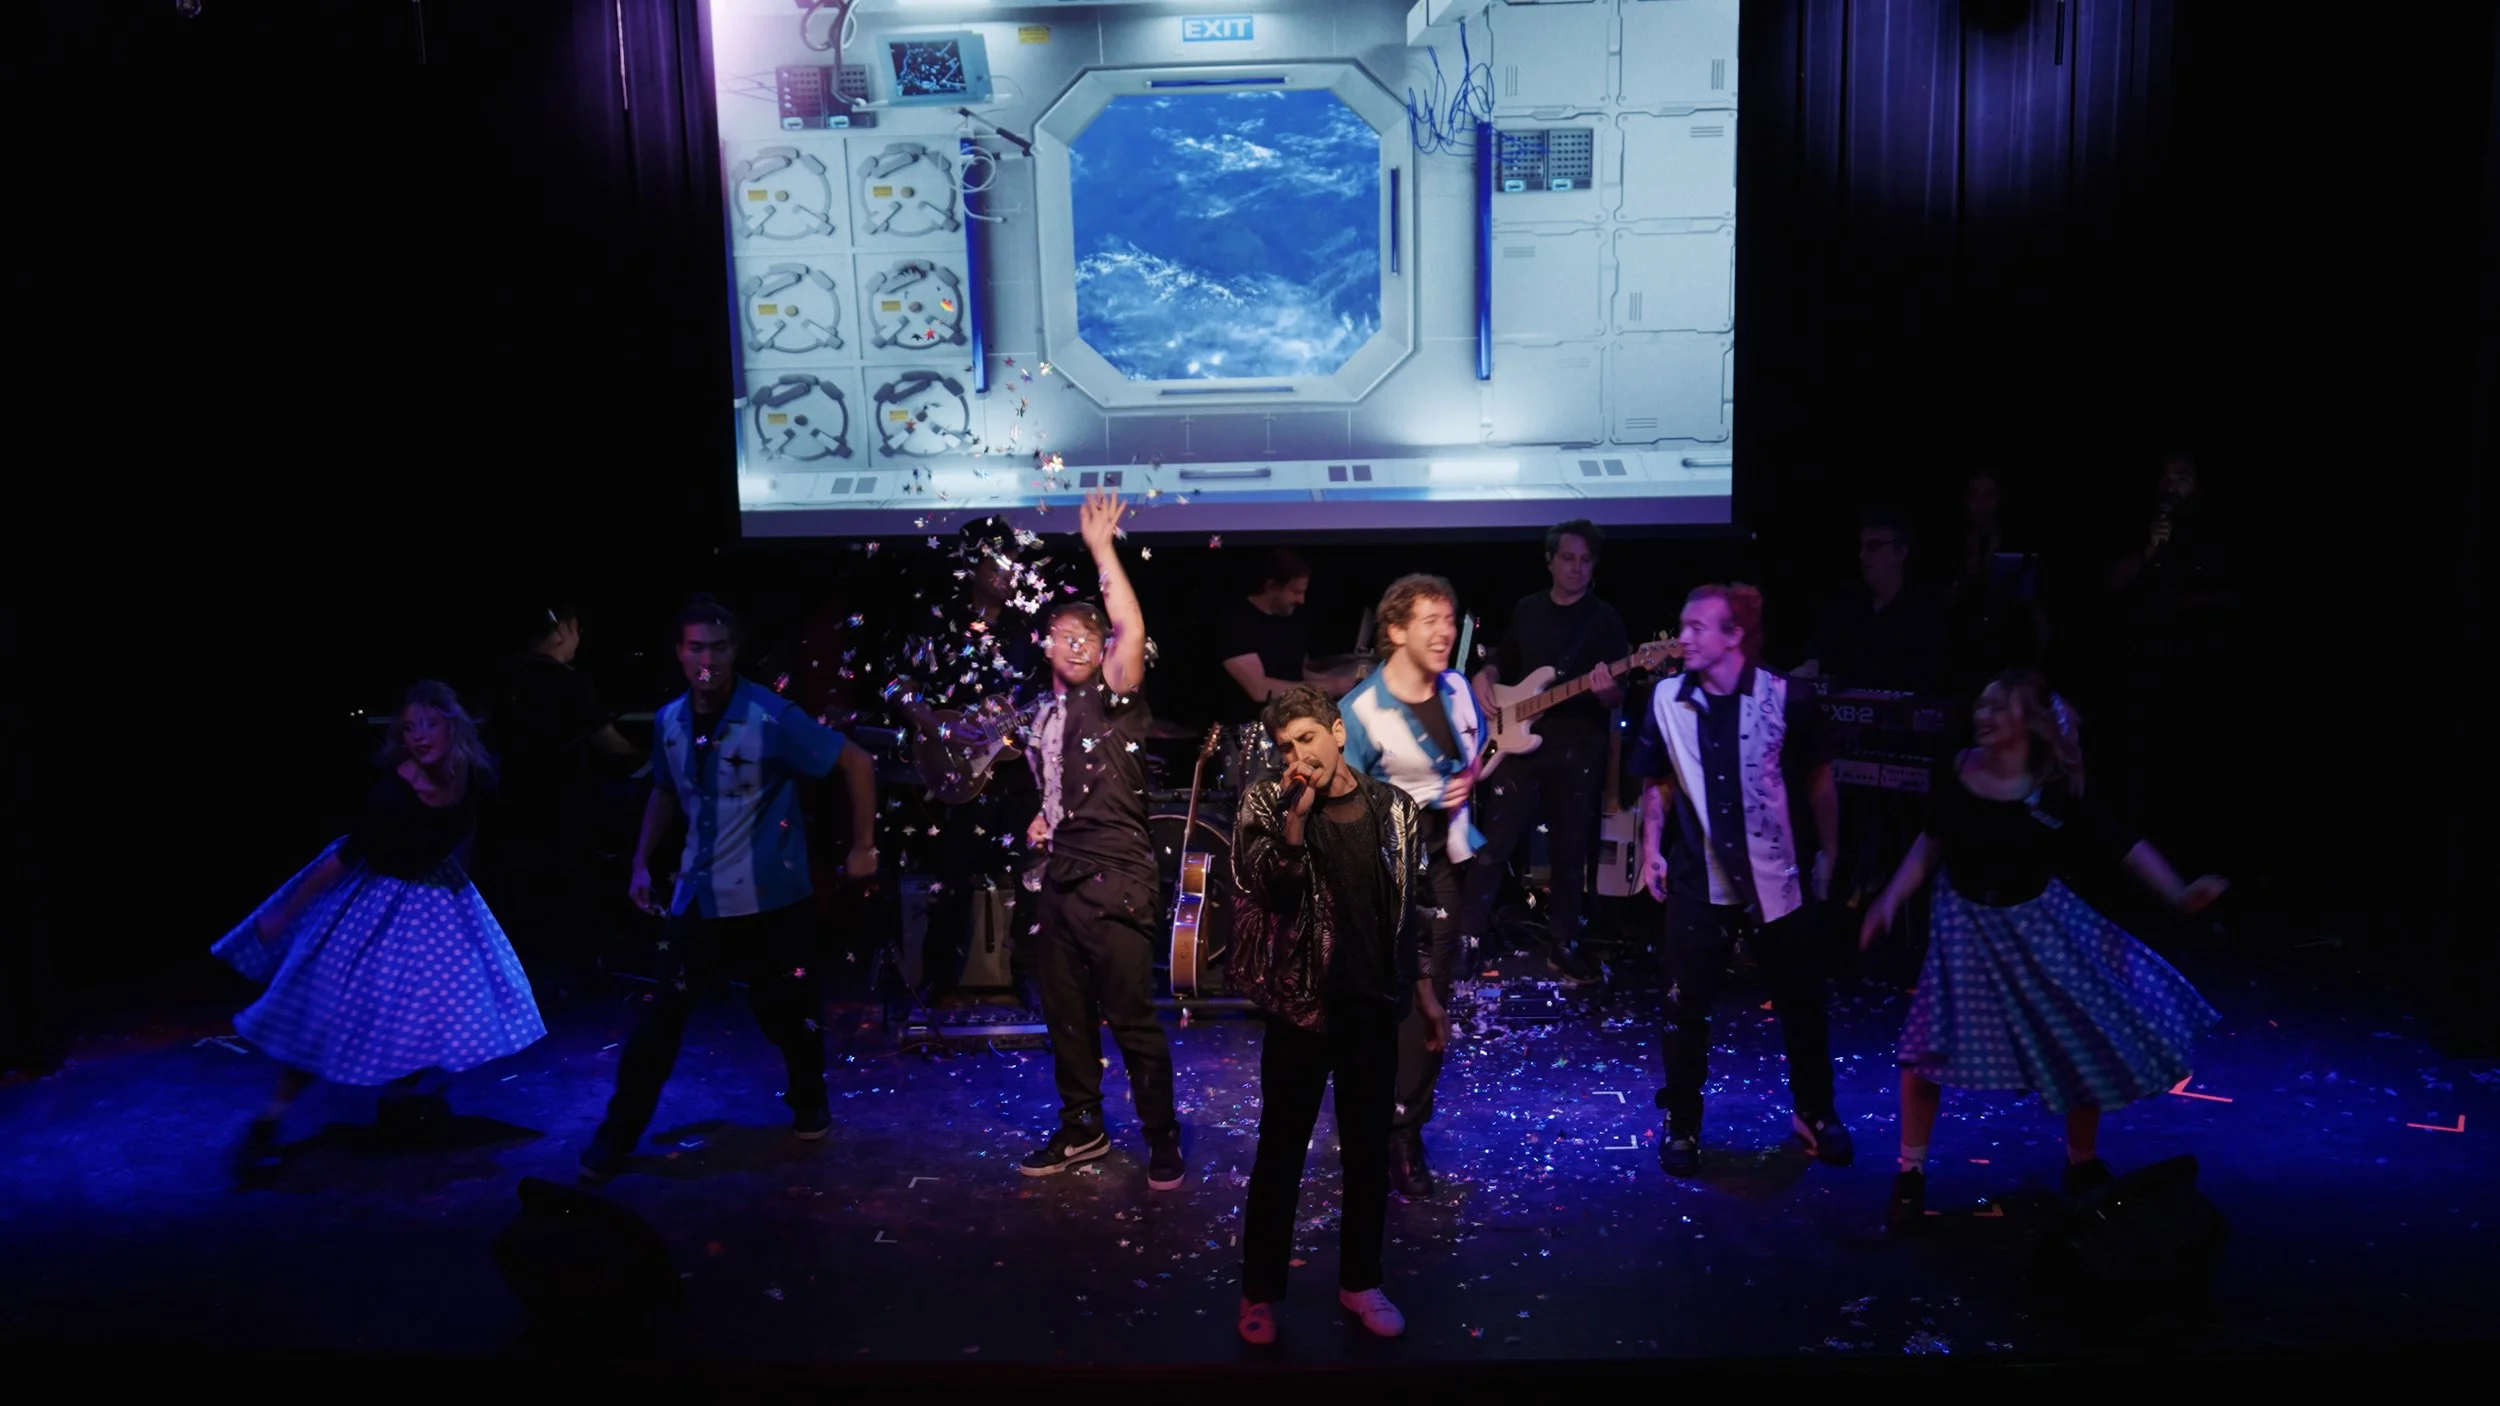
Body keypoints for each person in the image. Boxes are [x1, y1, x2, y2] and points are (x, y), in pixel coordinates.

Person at [1859, 670, 2226, 1229]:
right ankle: (1910, 1173)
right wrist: (1889, 899)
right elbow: (1929, 842)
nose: (1981, 717)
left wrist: (2179, 892)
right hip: (1965, 929)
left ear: (2026, 724)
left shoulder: (2052, 789)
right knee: (1926, 1051)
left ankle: (2082, 1163)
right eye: (1979, 706)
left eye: (1997, 709)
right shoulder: (1958, 772)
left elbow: (2125, 844)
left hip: (2036, 925)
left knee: (2082, 1035)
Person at [578, 595, 878, 1180]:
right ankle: (616, 1136)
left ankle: (809, 1098)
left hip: (773, 901)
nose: (706, 659)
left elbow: (857, 763)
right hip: (701, 899)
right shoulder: (670, 720)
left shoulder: (769, 716)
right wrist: (640, 862)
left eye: (718, 647)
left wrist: (863, 846)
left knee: (788, 1015)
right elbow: (665, 791)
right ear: (679, 653)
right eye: (696, 648)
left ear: (735, 651)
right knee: (661, 1020)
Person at [215, 682, 546, 1179]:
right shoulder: (392, 795)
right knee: (329, 1013)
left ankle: (403, 1098)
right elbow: (343, 859)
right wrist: (284, 913)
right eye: (408, 727)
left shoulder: (471, 777)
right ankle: (270, 1119)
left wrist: (460, 885)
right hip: (379, 902)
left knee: (433, 1006)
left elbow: (465, 831)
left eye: (428, 723)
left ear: (451, 725)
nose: (418, 735)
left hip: (435, 901)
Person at [1228, 684, 1446, 1345]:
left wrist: (1428, 996)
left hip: (1371, 1008)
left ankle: (1362, 1281)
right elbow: (1268, 885)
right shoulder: (1268, 802)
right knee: (1281, 1155)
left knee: (1368, 1156)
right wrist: (1296, 818)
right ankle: (1260, 1293)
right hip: (1300, 1009)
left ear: (1337, 732)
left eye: (1307, 739)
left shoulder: (1395, 810)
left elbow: (1421, 908)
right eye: (1285, 746)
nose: (1298, 755)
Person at [1631, 584, 1851, 1177]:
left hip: (1775, 879)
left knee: (1802, 1002)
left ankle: (1816, 1112)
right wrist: (1651, 848)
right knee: (1684, 1009)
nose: (1685, 637)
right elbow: (1656, 780)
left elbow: (1819, 781)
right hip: (1698, 881)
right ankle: (1682, 1122)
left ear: (1733, 635)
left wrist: (1830, 853)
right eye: (1683, 625)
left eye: (1699, 627)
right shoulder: (1665, 700)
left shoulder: (1787, 698)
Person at [1017, 490, 1183, 1190]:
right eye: (1066, 633)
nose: (1081, 641)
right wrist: (1044, 818)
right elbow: (1062, 787)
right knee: (1066, 1014)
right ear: (1045, 644)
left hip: (1117, 880)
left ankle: (1161, 1138)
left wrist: (1100, 549)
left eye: (1092, 633)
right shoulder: (1041, 717)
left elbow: (1127, 622)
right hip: (1060, 878)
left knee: (1131, 1017)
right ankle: (1082, 1127)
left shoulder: (1116, 695)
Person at [1338, 573, 1482, 1198]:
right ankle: (1372, 1118)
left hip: (1444, 858)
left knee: (1434, 998)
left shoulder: (1455, 688)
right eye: (1429, 619)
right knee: (1387, 1000)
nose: (1445, 631)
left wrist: (1469, 779)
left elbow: (1474, 755)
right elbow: (1343, 812)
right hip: (1386, 862)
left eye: (1449, 618)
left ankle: (1406, 1128)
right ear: (1395, 631)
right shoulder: (1362, 712)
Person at [1463, 520, 1627, 986]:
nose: (1577, 568)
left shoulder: (1605, 619)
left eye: (1585, 560)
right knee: (1492, 847)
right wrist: (1484, 675)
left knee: (1571, 854)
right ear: (1550, 560)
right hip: (1518, 744)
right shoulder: (1527, 609)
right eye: (1568, 558)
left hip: (1579, 749)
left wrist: (1607, 690)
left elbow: (1618, 698)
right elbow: (1504, 661)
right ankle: (1467, 941)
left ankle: (1563, 946)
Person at [484, 604, 638, 999]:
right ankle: (581, 981)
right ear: (560, 632)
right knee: (573, 892)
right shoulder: (565, 681)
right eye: (575, 629)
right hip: (563, 809)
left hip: (512, 809)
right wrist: (649, 760)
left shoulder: (504, 677)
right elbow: (610, 745)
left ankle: (526, 986)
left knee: (526, 901)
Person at [1795, 508, 1951, 693]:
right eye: (1862, 547)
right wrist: (1812, 664)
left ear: (1901, 553)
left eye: (1874, 546)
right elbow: (1822, 639)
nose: (1862, 556)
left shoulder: (1926, 612)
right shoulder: (1850, 602)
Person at [1218, 549, 1361, 725]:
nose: (1301, 600)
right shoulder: (1238, 623)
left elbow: (1295, 674)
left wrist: (1342, 680)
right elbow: (1259, 689)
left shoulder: (1291, 621)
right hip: (1251, 730)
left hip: (1290, 724)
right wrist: (1332, 687)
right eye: (1296, 592)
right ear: (1271, 586)